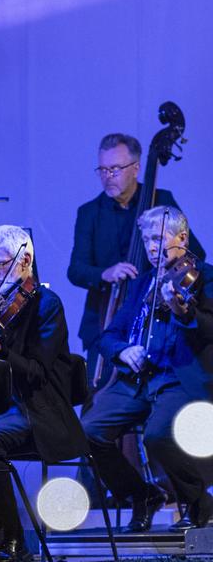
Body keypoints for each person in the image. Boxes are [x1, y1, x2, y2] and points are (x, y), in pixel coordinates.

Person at [81, 206, 213, 531]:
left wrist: (182, 312)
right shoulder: (142, 285)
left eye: (158, 239)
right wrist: (124, 351)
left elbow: (209, 329)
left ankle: (198, 503)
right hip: (136, 382)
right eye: (147, 240)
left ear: (182, 237)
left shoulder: (205, 276)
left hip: (177, 379)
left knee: (159, 436)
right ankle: (142, 495)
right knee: (87, 432)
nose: (152, 247)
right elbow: (108, 336)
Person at [0, 226, 88, 561]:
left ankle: (12, 539)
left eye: (1, 265)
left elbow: (37, 372)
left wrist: (0, 349)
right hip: (5, 409)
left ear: (25, 260)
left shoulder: (46, 304)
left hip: (39, 412)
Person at [67, 133, 204, 382]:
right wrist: (105, 273)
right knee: (96, 400)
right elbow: (75, 269)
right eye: (103, 169)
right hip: (103, 317)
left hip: (158, 320)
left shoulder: (162, 200)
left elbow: (195, 253)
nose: (108, 177)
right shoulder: (89, 212)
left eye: (115, 169)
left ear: (136, 168)